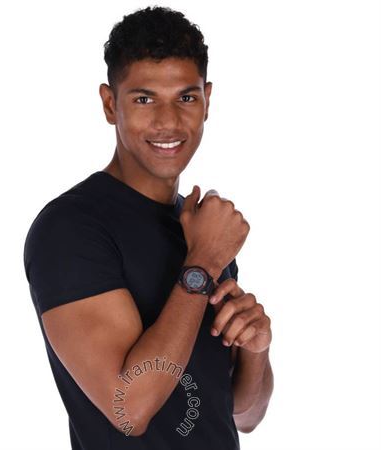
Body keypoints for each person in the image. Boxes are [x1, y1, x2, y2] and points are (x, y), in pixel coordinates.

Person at [23, 5, 274, 449]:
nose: (168, 121)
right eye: (144, 99)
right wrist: (203, 262)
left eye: (186, 98)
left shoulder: (199, 228)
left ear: (207, 100)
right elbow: (129, 408)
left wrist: (256, 348)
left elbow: (244, 414)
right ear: (109, 104)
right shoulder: (69, 229)